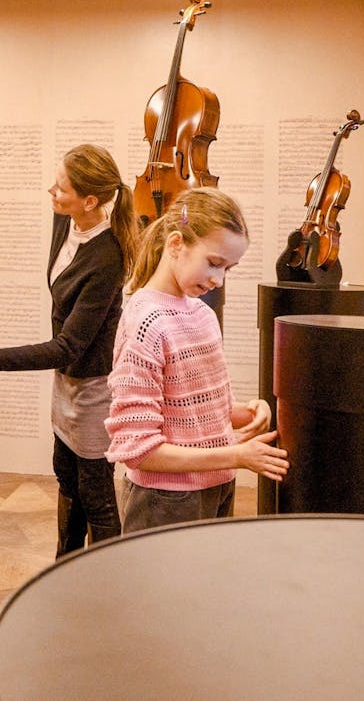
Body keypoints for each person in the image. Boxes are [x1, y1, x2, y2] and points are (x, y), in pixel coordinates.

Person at [0, 144, 136, 558]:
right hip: (68, 383)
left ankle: (109, 582)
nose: (51, 192)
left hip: (93, 386)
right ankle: (66, 566)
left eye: (61, 188)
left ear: (90, 200)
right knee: (67, 475)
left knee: (96, 492)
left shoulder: (108, 257)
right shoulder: (65, 222)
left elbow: (68, 346)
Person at [105, 186, 289, 534]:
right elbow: (140, 450)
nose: (218, 279)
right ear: (176, 245)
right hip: (165, 500)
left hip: (216, 487)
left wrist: (246, 411)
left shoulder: (202, 315)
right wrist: (237, 454)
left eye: (228, 269)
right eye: (214, 263)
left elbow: (186, 406)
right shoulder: (145, 321)